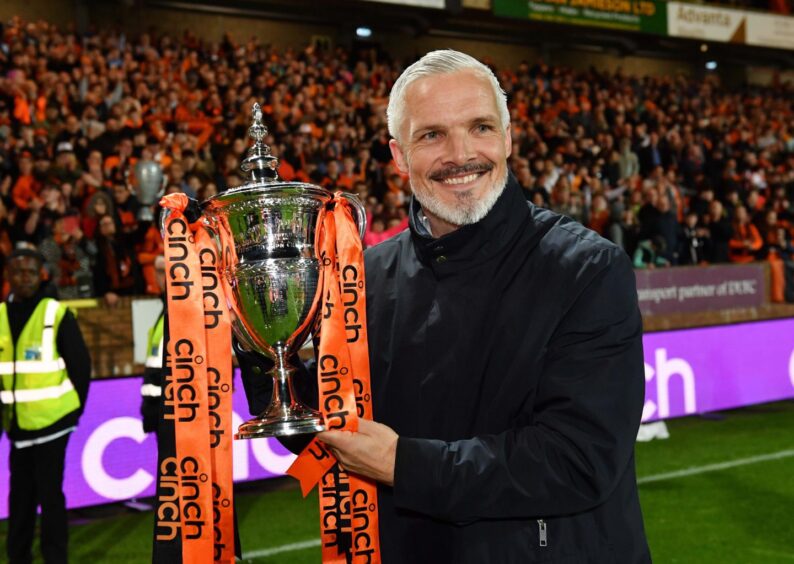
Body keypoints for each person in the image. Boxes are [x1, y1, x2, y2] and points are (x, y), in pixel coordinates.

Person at [239, 50, 650, 562]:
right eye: (432, 135)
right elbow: (337, 432)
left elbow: (577, 459)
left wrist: (401, 464)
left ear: (507, 138)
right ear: (399, 156)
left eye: (480, 127)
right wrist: (253, 337)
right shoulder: (362, 278)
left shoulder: (587, 269)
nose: (461, 154)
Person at [0, 247, 91, 563]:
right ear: (8, 275)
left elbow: (81, 366)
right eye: (17, 270)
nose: (23, 277)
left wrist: (72, 412)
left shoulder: (55, 312)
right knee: (20, 499)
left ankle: (55, 558)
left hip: (53, 424)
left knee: (50, 497)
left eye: (30, 271)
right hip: (18, 426)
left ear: (40, 275)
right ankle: (18, 556)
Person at [140, 255, 166, 435]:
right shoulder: (165, 309)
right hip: (159, 407)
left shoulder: (183, 308)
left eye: (167, 270)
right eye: (160, 272)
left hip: (172, 410)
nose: (163, 277)